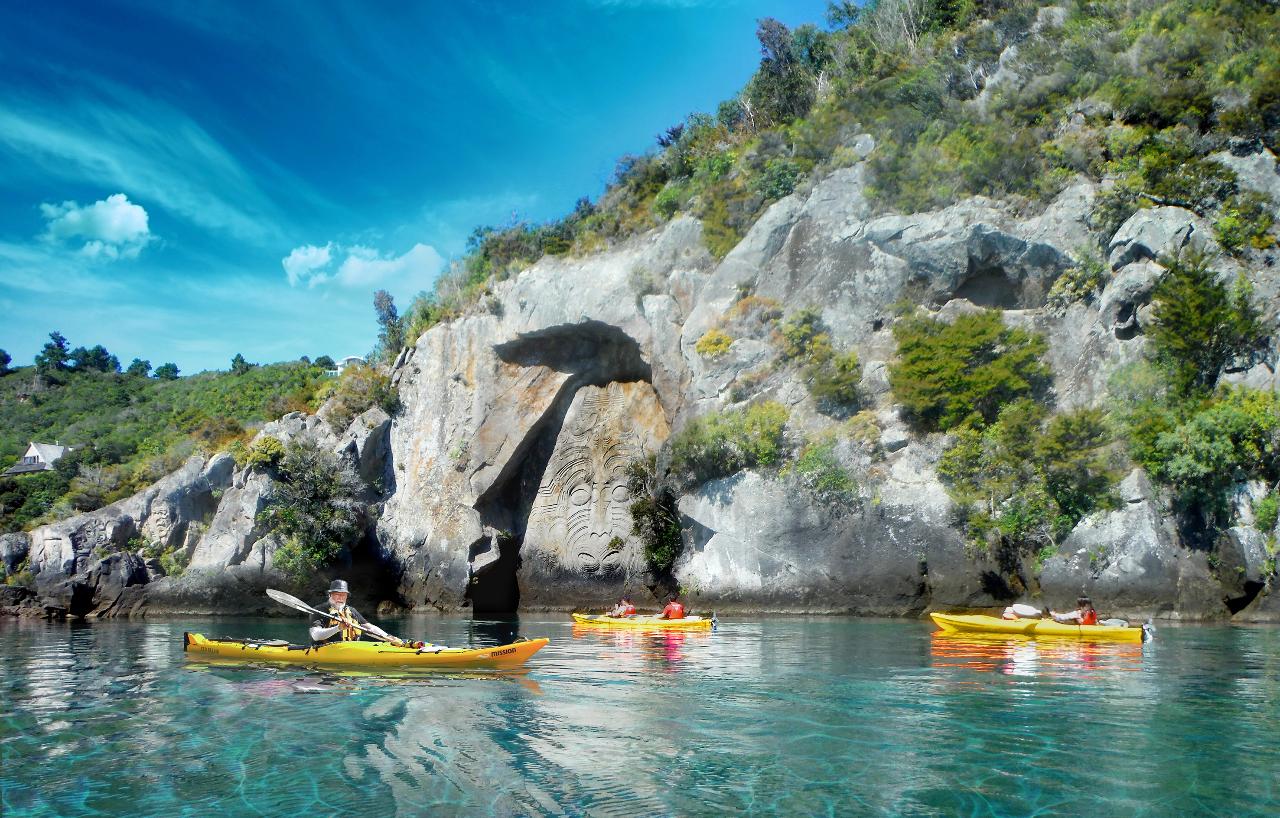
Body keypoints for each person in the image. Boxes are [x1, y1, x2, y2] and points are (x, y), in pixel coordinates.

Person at [310, 580, 404, 645]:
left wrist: (387, 637)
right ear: (330, 595)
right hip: (325, 651)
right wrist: (338, 628)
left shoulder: (351, 611)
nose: (341, 598)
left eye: (343, 595)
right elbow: (316, 636)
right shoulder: (319, 610)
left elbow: (370, 628)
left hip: (350, 650)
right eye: (337, 595)